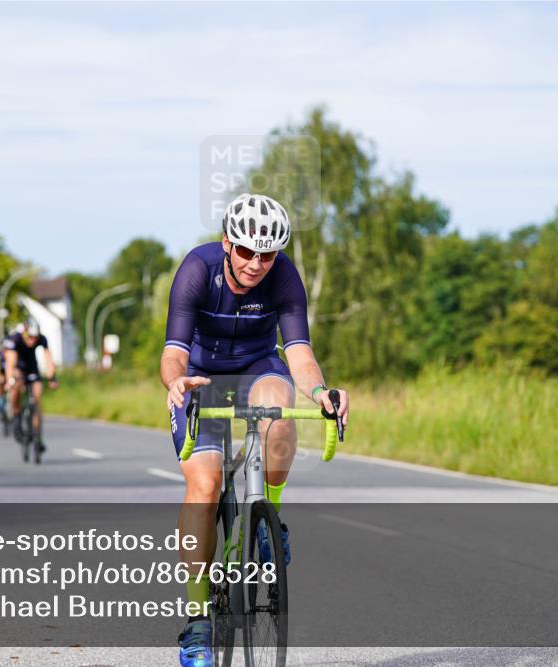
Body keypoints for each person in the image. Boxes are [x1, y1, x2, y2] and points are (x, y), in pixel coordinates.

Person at [162, 193, 349, 667]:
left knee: (277, 414)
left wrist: (321, 392)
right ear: (228, 243)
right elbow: (174, 352)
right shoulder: (197, 269)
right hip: (201, 377)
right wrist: (176, 382)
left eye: (267, 254)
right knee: (204, 486)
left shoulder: (283, 276)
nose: (256, 263)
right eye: (246, 251)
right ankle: (197, 621)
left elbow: (299, 353)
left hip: (257, 368)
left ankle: (269, 521)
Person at [3, 319, 57, 454]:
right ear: (24, 333)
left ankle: (38, 437)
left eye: (35, 337)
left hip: (32, 369)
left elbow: (49, 360)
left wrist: (52, 377)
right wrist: (10, 380)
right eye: (30, 337)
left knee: (37, 397)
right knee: (16, 387)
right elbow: (10, 363)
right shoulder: (15, 339)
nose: (32, 340)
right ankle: (16, 417)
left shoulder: (42, 339)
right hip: (18, 368)